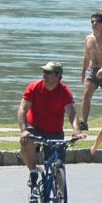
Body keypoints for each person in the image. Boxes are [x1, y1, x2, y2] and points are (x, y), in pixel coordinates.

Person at [17, 61, 82, 190]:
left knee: (58, 165)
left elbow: (72, 113)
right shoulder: (34, 87)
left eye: (48, 72)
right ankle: (33, 172)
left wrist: (77, 131)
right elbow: (22, 109)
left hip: (54, 131)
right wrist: (24, 130)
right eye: (44, 71)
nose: (44, 74)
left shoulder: (64, 91)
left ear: (58, 76)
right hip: (34, 128)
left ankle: (61, 198)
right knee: (25, 142)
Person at [79, 13, 102, 131]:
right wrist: (83, 73)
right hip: (92, 70)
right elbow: (86, 57)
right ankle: (84, 122)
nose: (94, 24)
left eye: (97, 22)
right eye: (92, 22)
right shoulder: (88, 38)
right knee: (86, 95)